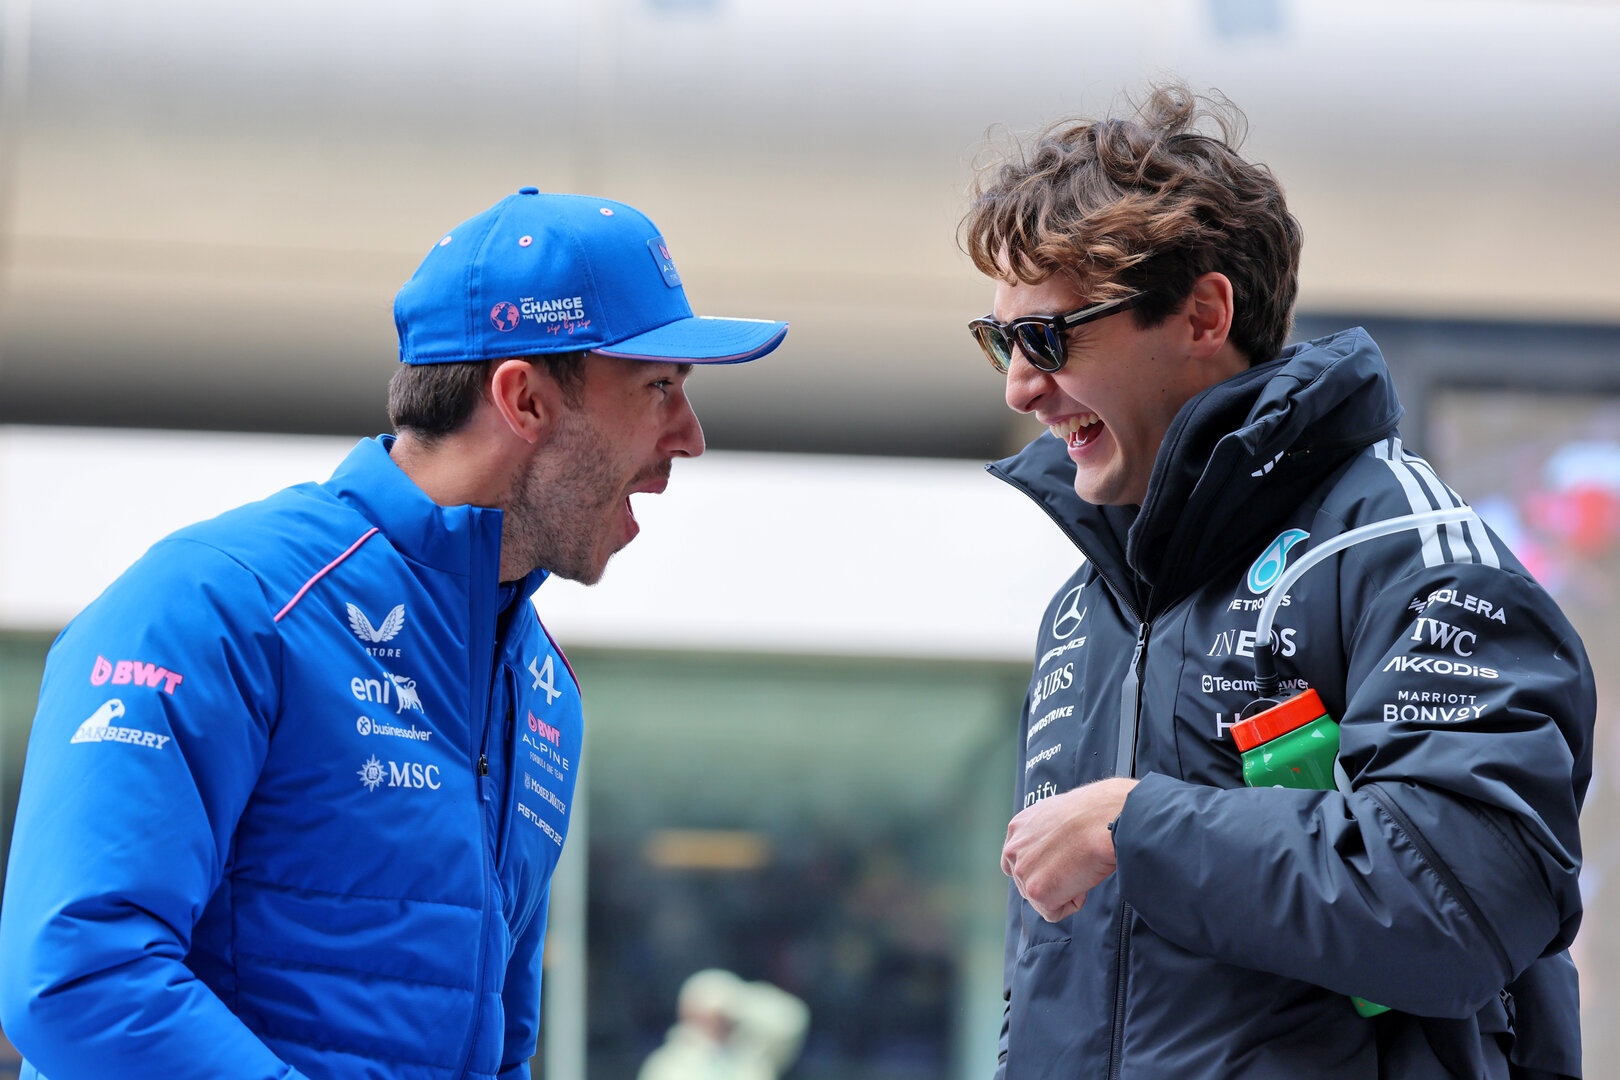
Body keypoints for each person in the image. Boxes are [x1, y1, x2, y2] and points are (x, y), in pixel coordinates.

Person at [0, 189, 788, 1080]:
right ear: (524, 400)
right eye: (659, 388)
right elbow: (79, 975)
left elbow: (501, 1050)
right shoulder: (219, 604)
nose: (689, 437)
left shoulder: (541, 687)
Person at [969, 87, 1594, 1079]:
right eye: (997, 341)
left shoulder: (1396, 548)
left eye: (1048, 337)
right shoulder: (1085, 609)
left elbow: (1466, 903)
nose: (1016, 385)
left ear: (1203, 313)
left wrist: (1139, 825)